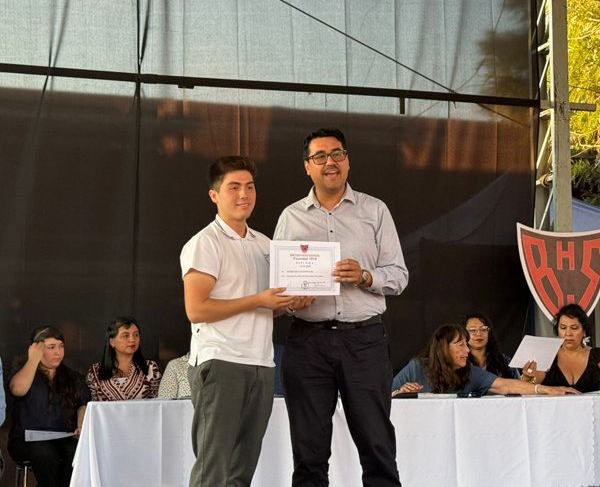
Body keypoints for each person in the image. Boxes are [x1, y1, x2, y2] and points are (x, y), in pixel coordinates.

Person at [274, 128, 409, 487]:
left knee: (378, 448)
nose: (329, 162)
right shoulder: (291, 217)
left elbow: (399, 276)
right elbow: (277, 286)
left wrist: (365, 276)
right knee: (308, 455)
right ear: (307, 166)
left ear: (347, 161)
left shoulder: (375, 210)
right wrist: (291, 301)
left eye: (337, 154)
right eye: (319, 156)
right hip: (307, 343)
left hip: (364, 342)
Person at [181, 155, 311, 487]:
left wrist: (290, 304)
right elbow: (197, 309)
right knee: (213, 467)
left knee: (243, 468)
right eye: (234, 187)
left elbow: (269, 305)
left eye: (250, 187)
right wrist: (258, 300)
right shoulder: (205, 243)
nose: (244, 194)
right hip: (221, 361)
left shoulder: (264, 244)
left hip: (261, 363)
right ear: (214, 195)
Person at [392, 324, 578, 397]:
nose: (467, 350)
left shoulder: (470, 372)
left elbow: (507, 385)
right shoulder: (415, 368)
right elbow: (384, 400)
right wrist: (399, 394)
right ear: (443, 348)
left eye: (467, 345)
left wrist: (546, 389)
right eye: (460, 345)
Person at [8, 326, 91, 487]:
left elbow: (84, 404)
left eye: (61, 346)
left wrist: (80, 426)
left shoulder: (73, 377)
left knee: (77, 451)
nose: (58, 352)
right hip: (26, 440)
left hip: (62, 437)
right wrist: (33, 360)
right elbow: (17, 390)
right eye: (51, 347)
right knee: (45, 452)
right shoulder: (23, 372)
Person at [86, 316, 161, 401]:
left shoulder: (150, 367)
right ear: (112, 342)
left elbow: (157, 404)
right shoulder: (95, 371)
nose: (132, 339)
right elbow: (92, 406)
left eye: (136, 335)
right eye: (126, 335)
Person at [465, 312, 519, 379]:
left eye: (483, 329)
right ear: (464, 333)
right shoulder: (459, 362)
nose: (478, 334)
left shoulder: (504, 361)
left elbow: (518, 383)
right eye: (472, 330)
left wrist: (526, 378)